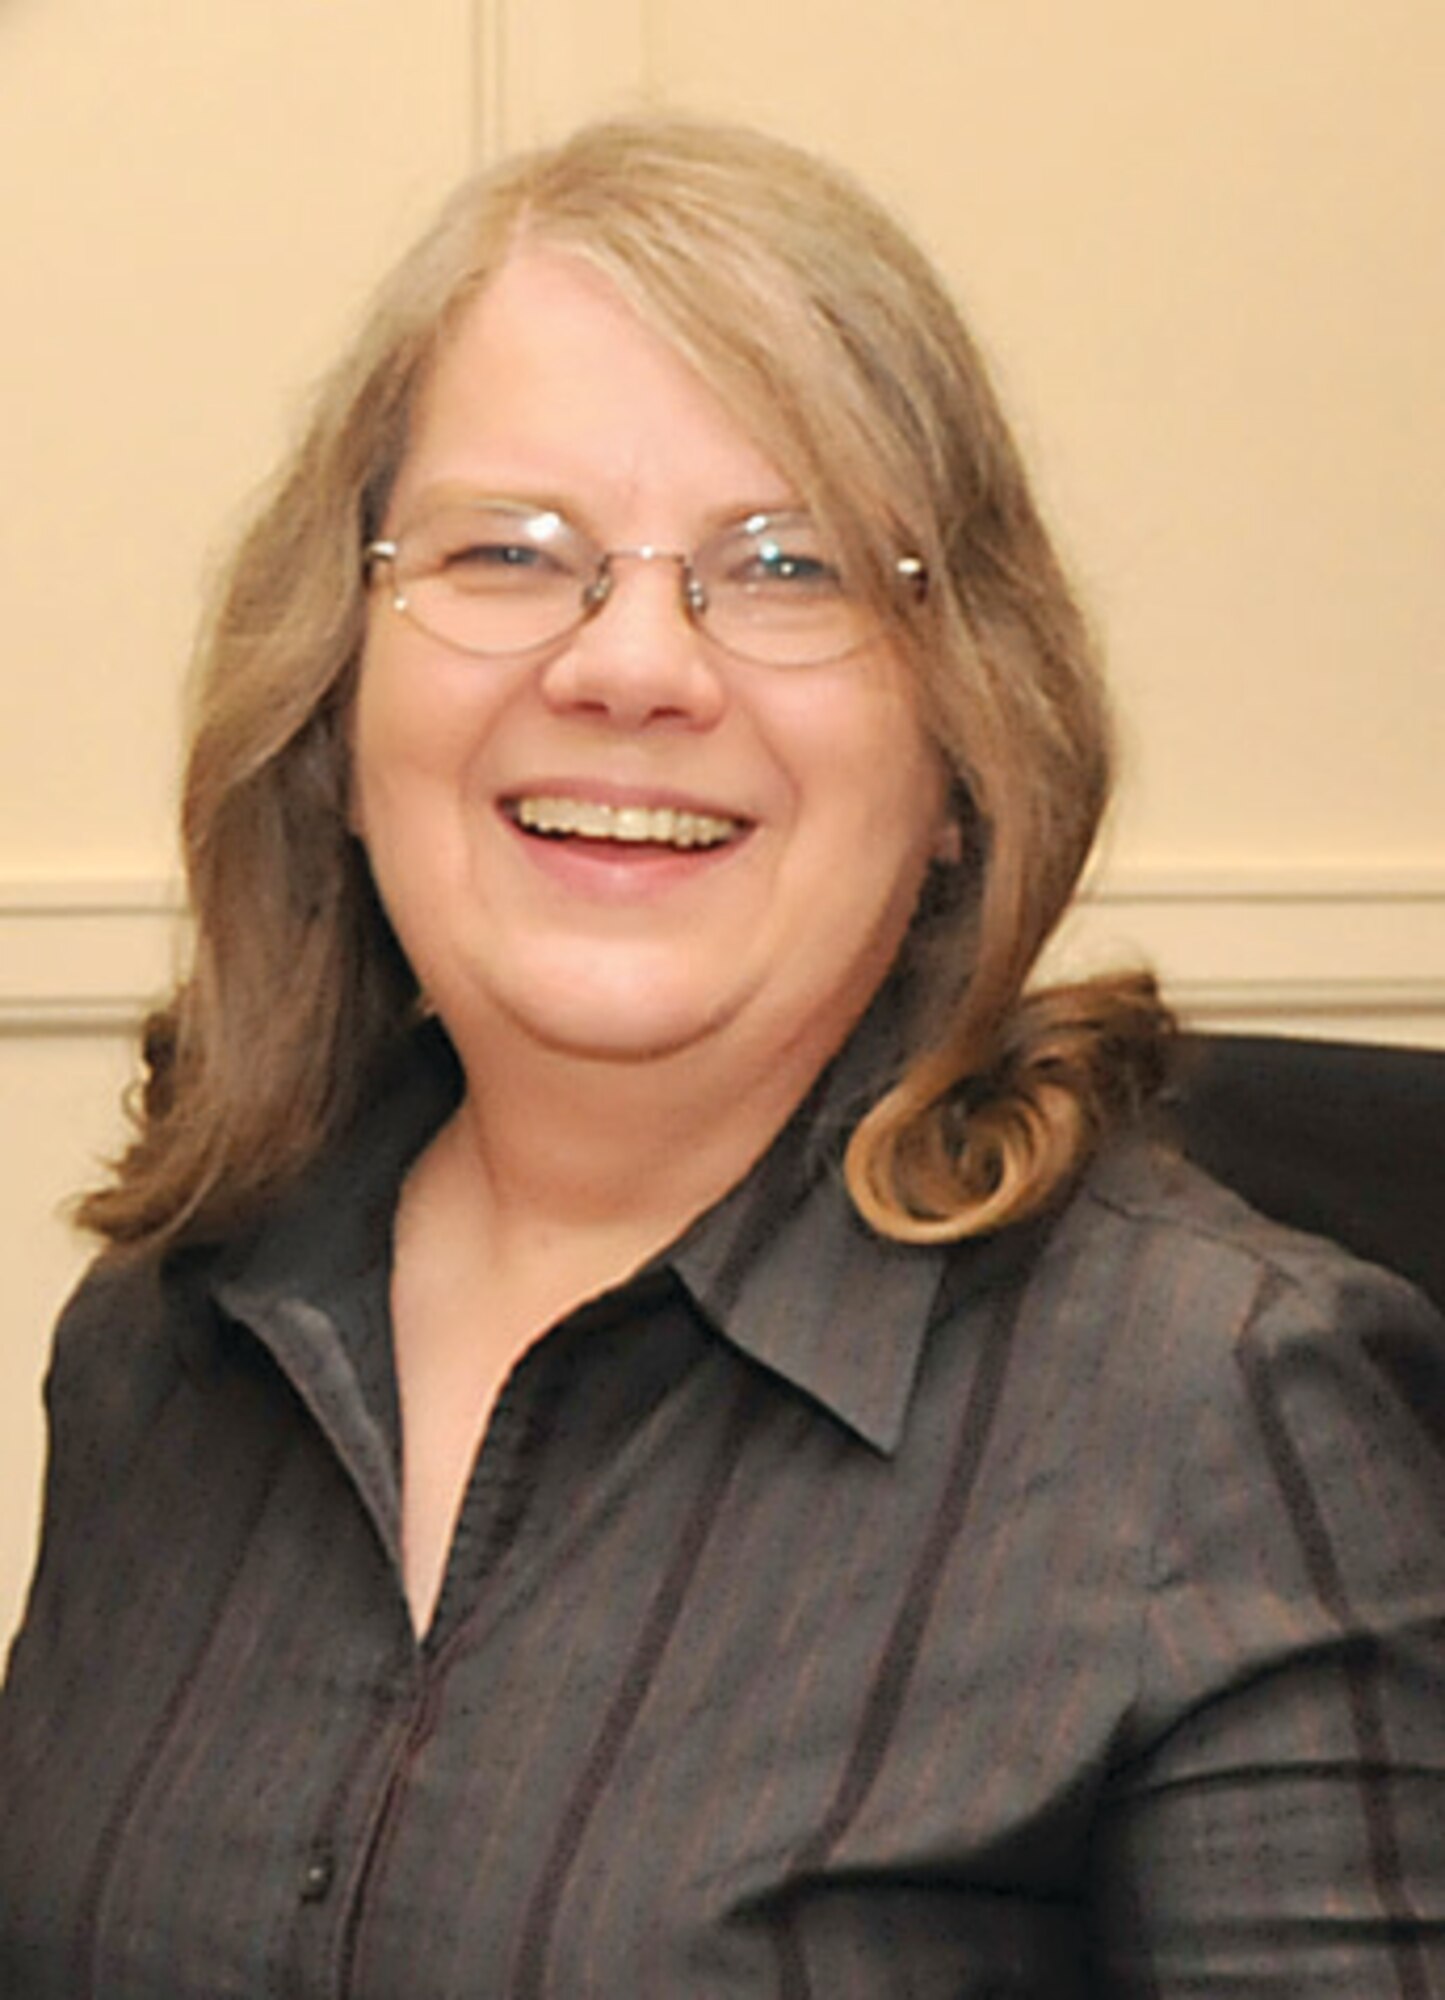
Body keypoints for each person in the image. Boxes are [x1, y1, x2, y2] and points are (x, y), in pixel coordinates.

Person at [0, 115, 1441, 1998]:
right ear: (339, 700)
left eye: (789, 570)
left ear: (960, 753)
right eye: (509, 551)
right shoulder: (165, 1337)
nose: (631, 664)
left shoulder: (1215, 1419)